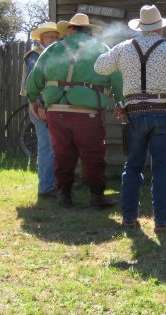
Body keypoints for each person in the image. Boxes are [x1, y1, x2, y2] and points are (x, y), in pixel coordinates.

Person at [94, 5, 166, 231]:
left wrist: (112, 55)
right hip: (162, 111)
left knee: (133, 166)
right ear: (161, 27)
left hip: (134, 113)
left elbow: (100, 66)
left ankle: (129, 218)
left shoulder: (124, 47)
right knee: (161, 166)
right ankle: (162, 220)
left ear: (140, 28)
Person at [26, 13, 123, 209]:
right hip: (88, 114)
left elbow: (33, 80)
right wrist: (121, 102)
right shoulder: (101, 49)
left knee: (62, 155)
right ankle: (96, 196)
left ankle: (64, 196)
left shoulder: (52, 49)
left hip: (56, 113)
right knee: (93, 155)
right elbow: (116, 80)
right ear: (88, 31)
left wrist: (34, 102)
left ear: (71, 29)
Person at [20, 22, 60, 198]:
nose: (55, 40)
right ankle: (45, 188)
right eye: (51, 37)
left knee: (51, 146)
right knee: (47, 147)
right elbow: (31, 83)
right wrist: (38, 106)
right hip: (40, 106)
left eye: (57, 37)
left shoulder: (48, 54)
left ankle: (51, 184)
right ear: (42, 38)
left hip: (48, 105)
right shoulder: (35, 55)